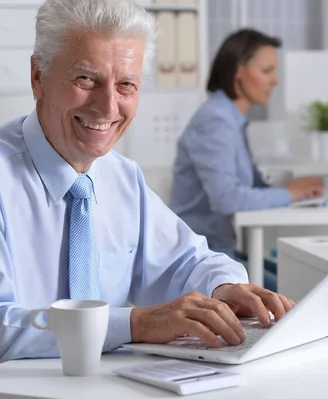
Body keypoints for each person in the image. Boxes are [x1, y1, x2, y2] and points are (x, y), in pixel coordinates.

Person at [0, 0, 295, 363]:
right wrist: (136, 324)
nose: (108, 108)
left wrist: (224, 288)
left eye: (126, 84)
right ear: (37, 77)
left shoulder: (122, 177)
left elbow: (185, 262)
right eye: (86, 79)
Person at [169, 29, 323, 290]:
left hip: (221, 250)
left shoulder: (231, 119)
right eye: (267, 71)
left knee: (303, 279)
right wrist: (289, 194)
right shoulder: (216, 121)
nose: (275, 80)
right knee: (299, 291)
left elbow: (250, 184)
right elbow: (227, 198)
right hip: (201, 260)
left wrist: (294, 188)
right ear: (238, 71)